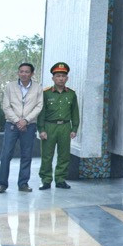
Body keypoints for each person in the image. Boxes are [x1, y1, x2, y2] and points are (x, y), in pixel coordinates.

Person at [0, 63, 43, 193]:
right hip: (11, 124)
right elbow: (6, 106)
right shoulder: (10, 86)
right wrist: (18, 121)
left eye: (27, 72)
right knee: (6, 155)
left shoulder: (38, 88)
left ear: (32, 74)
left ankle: (23, 184)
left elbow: (39, 106)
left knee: (26, 155)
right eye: (21, 71)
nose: (24, 74)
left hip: (29, 125)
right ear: (18, 73)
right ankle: (2, 184)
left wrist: (26, 120)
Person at [38, 62, 79, 190]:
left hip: (65, 127)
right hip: (49, 127)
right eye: (58, 76)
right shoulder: (46, 93)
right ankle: (46, 180)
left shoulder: (71, 94)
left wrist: (74, 128)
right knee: (47, 155)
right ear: (53, 78)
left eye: (63, 76)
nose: (61, 78)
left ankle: (60, 180)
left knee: (64, 155)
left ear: (67, 78)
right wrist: (41, 129)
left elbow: (75, 113)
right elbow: (41, 113)